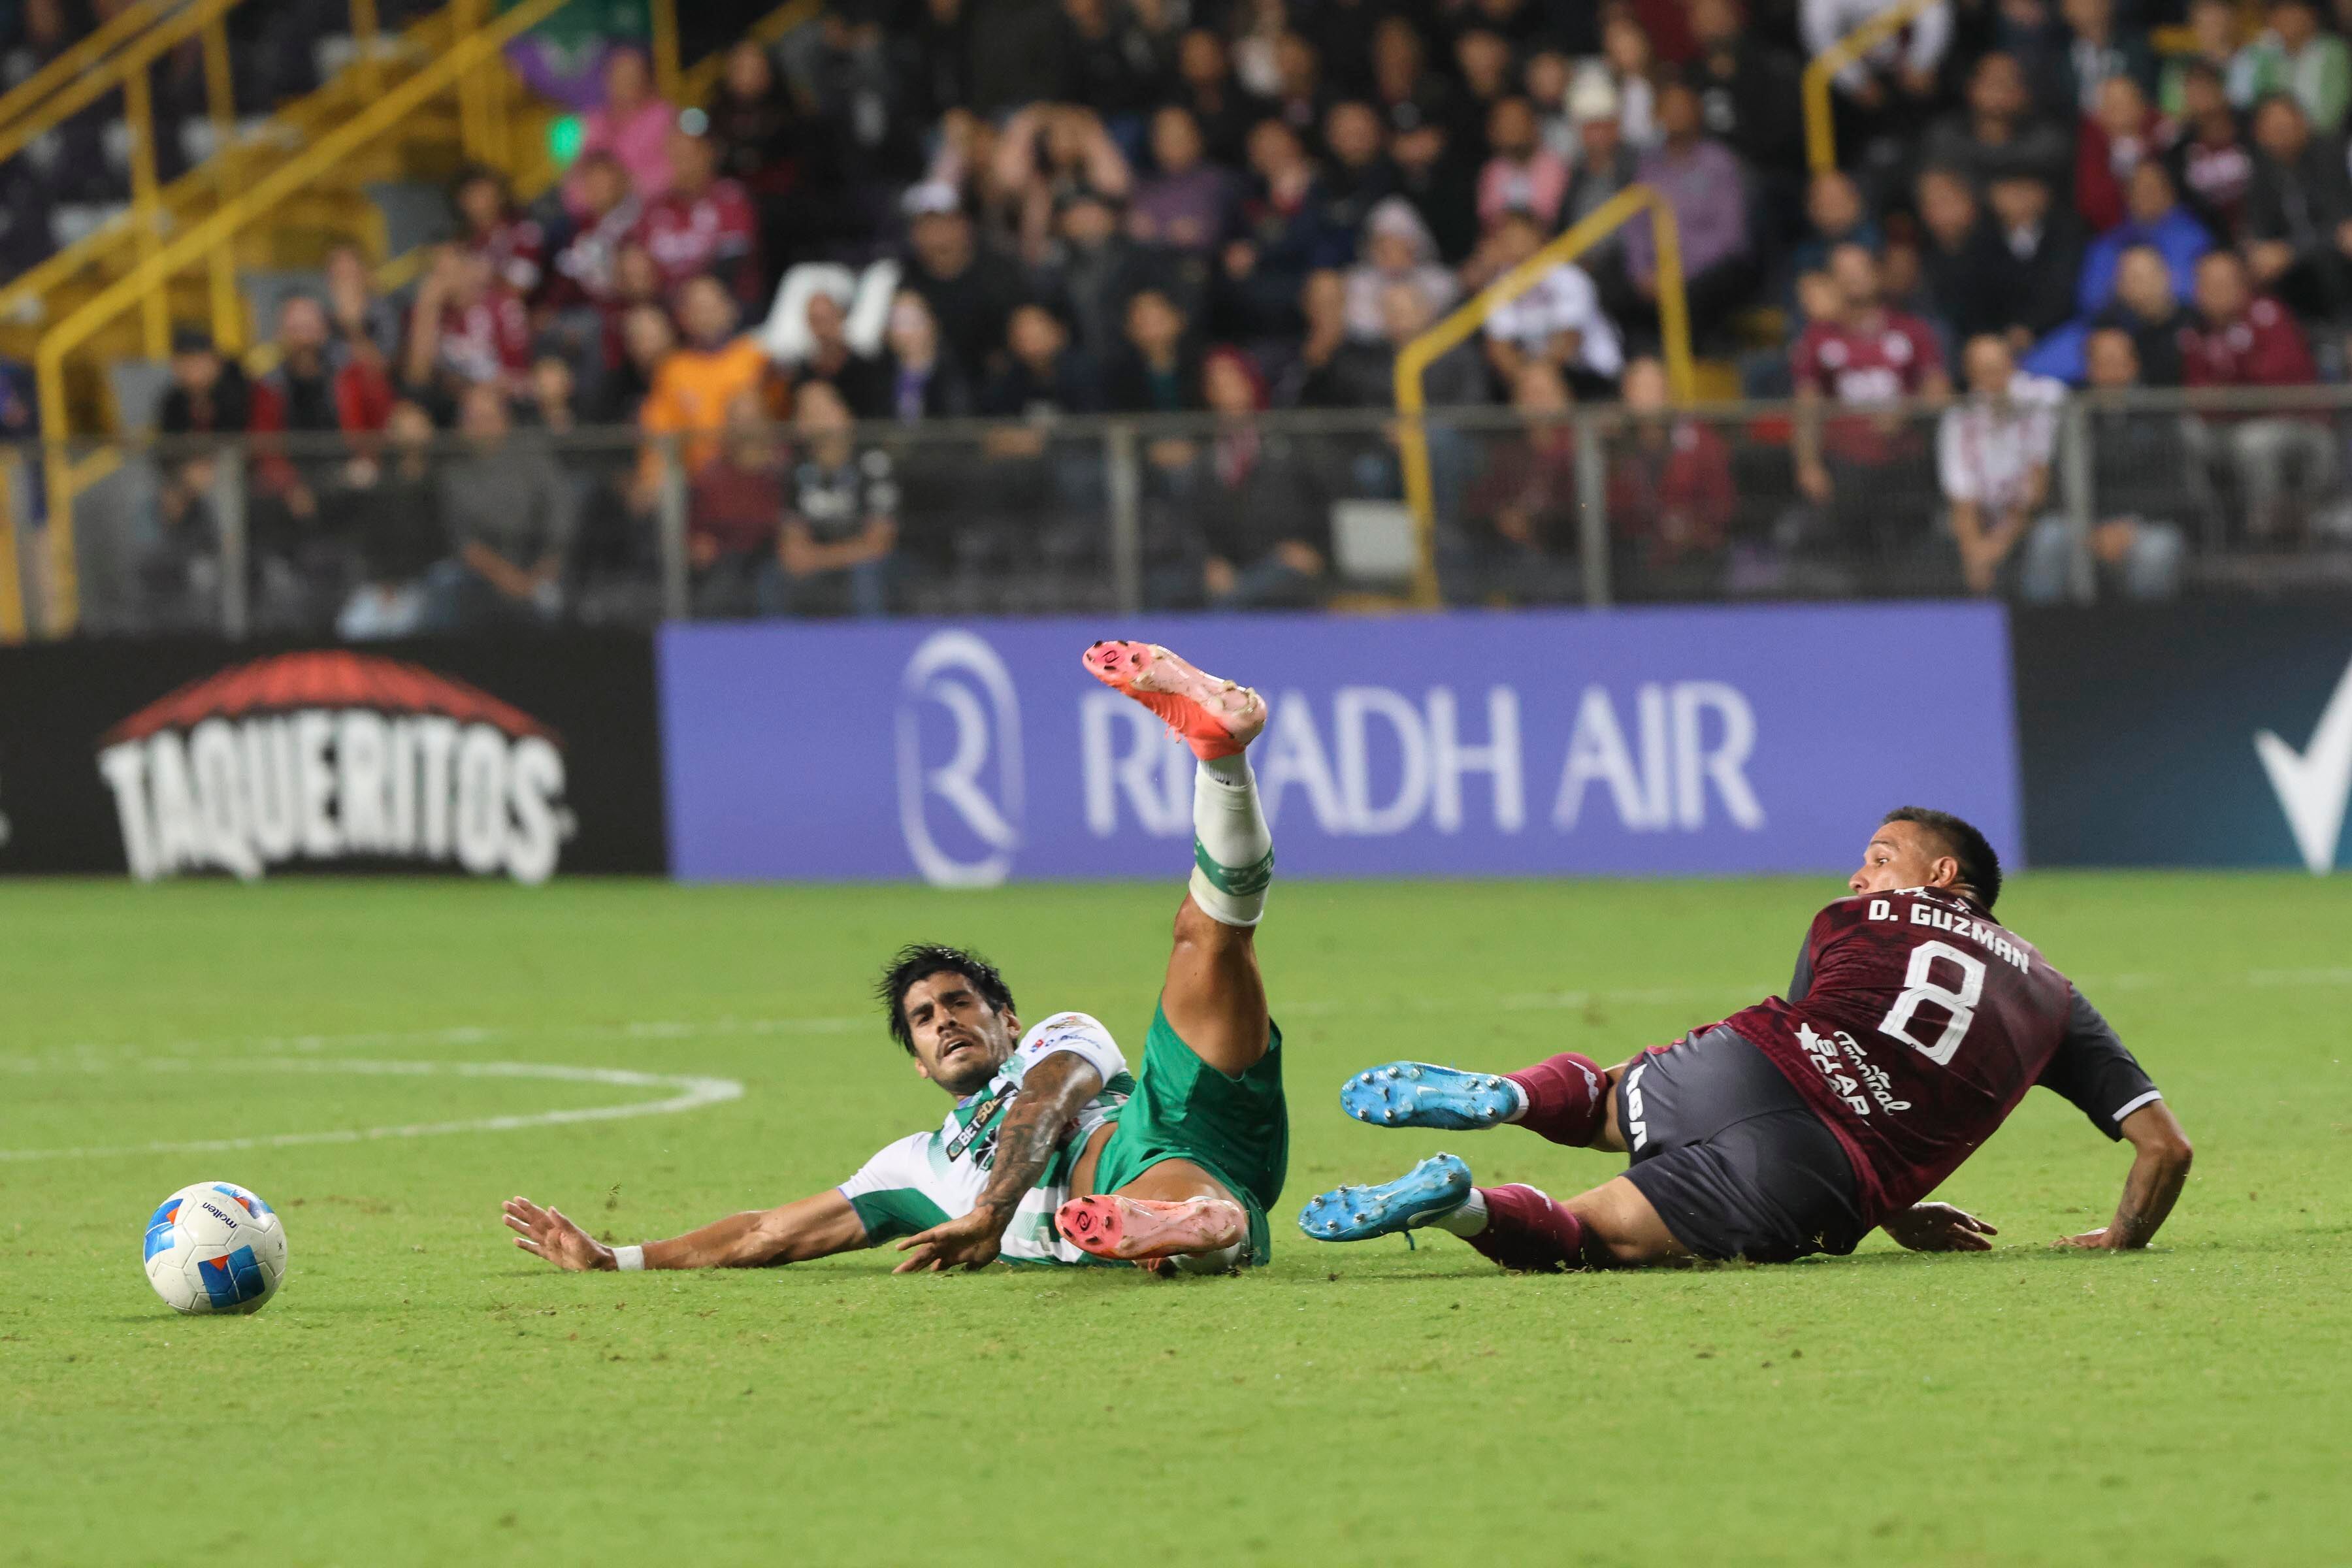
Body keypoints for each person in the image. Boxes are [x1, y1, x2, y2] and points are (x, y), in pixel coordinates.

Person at [506, 640, 1294, 1275]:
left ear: (1007, 1021)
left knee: (1209, 935)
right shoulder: (913, 1168)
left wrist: (988, 1213)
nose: (944, 1021)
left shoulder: (1061, 1041)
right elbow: (765, 1233)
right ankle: (1193, 1226)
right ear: (916, 1060)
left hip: (1157, 1122)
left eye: (959, 1003)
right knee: (1199, 1216)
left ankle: (1219, 752)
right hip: (1165, 1185)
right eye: (923, 1019)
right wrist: (621, 1260)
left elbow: (1049, 1101)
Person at [1301, 808, 2193, 1271]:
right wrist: (2123, 1237)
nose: (1861, 871)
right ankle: (1459, 1205)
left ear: (1943, 874)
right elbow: (2165, 1149)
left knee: (1612, 1099)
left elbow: (1819, 1047)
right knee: (1593, 1237)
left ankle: (1516, 1096)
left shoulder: (1858, 916)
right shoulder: (2055, 998)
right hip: (1818, 1171)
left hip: (1744, 1066)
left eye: (1882, 854)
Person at [1792, 242, 1953, 587]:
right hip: (1846, 469)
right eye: (1843, 273)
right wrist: (1808, 463)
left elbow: (1937, 391)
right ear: (1832, 282)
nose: (1853, 280)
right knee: (1852, 565)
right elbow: (1807, 404)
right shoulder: (1818, 339)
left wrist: (1905, 411)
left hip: (1904, 466)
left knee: (1911, 562)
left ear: (1877, 275)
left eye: (1860, 271)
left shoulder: (1912, 331)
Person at [2017, 328, 2186, 602]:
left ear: (2133, 366)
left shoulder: (2159, 415)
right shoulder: (2075, 418)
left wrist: (2127, 527)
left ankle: (2153, 637)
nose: (2110, 372)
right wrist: (2091, 528)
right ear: (2089, 369)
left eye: (2117, 362)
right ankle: (2042, 636)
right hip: (2086, 523)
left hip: (2146, 523)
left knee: (2156, 551)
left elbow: (2174, 486)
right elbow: (2060, 484)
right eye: (2101, 363)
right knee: (2048, 537)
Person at [2178, 249, 2333, 537]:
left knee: (2254, 442)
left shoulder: (2267, 316)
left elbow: (2275, 387)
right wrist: (2229, 397)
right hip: (2234, 425)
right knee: (2187, 433)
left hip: (2299, 425)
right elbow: (2198, 396)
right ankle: (2210, 531)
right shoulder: (2197, 333)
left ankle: (2264, 537)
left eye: (2224, 283)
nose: (2216, 292)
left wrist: (2229, 395)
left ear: (2242, 285)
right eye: (2208, 284)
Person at [425, 383, 575, 630]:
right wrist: (507, 578)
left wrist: (547, 567)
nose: (480, 427)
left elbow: (561, 513)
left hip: (541, 566)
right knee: (446, 587)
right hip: (482, 578)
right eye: (472, 420)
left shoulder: (532, 455)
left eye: (487, 418)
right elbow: (463, 541)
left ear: (504, 420)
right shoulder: (453, 474)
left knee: (555, 601)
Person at [1937, 333, 2061, 594]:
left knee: (2051, 538)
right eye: (1983, 373)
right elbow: (1961, 496)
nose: (1993, 381)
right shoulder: (1959, 418)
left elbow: (2035, 490)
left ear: (2012, 366)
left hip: (2032, 518)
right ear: (1970, 376)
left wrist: (1999, 544)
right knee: (1943, 535)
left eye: (1998, 370)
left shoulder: (2043, 400)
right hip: (1982, 520)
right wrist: (1976, 553)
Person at [771, 380, 897, 617]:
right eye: (808, 413)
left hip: (872, 566)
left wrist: (817, 558)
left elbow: (879, 544)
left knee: (865, 575)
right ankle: (783, 651)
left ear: (845, 415)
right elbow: (792, 550)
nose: (817, 420)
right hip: (823, 567)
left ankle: (872, 647)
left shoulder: (873, 465)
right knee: (773, 578)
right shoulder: (796, 474)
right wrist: (810, 559)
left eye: (823, 410)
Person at [634, 113, 762, 310]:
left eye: (688, 155)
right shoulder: (654, 210)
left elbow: (733, 258)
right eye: (673, 155)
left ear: (709, 154)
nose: (679, 164)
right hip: (670, 312)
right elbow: (640, 267)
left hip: (728, 305)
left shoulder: (729, 197)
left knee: (704, 296)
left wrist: (689, 293)